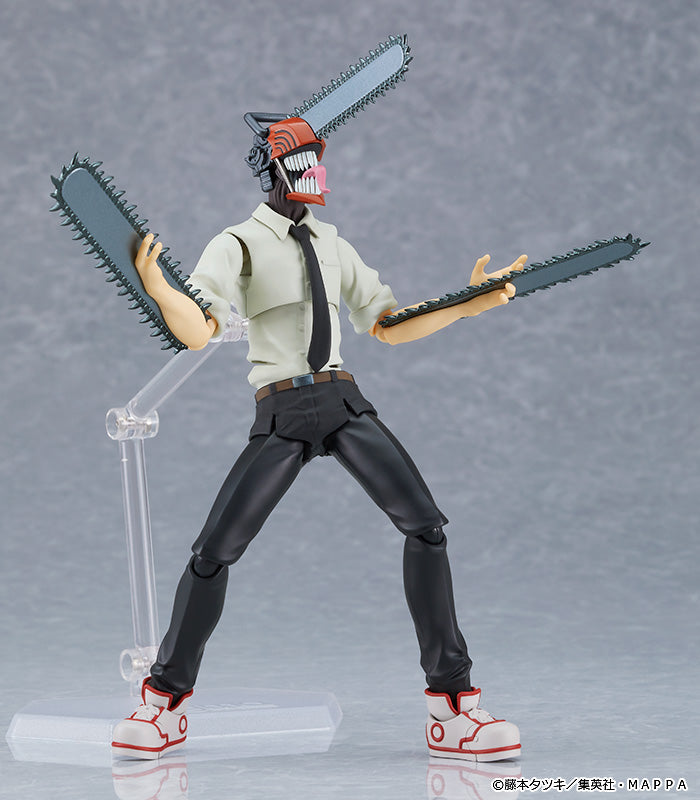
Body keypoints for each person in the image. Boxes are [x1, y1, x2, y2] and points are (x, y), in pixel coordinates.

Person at [111, 113, 525, 763]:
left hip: (342, 400)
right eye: (304, 161)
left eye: (318, 160)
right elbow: (199, 331)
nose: (316, 174)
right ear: (276, 169)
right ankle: (164, 700)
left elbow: (388, 322)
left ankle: (452, 705)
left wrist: (467, 303)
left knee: (426, 527)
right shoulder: (238, 244)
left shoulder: (332, 242)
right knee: (214, 551)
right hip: (282, 411)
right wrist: (160, 285)